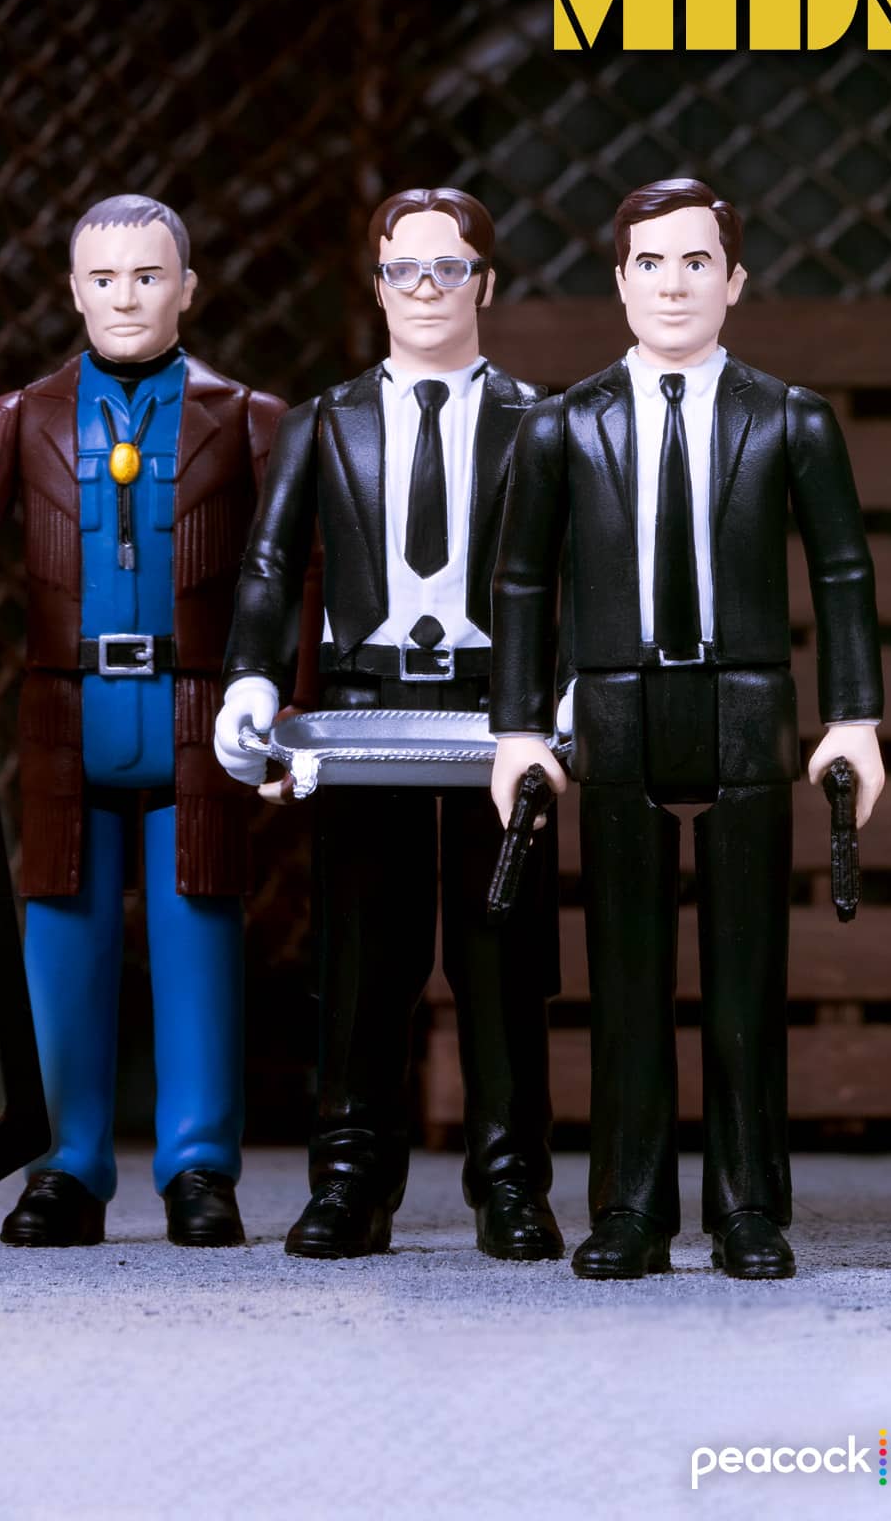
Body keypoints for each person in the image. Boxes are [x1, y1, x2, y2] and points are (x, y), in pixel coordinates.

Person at [489, 178, 883, 1282]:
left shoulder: (790, 417)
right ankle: (629, 1205)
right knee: (625, 977)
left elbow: (843, 573)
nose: (673, 284)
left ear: (735, 280)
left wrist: (853, 716)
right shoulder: (564, 423)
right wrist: (519, 727)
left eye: (697, 261)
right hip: (614, 707)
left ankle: (749, 1203)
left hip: (747, 702)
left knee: (749, 973)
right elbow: (521, 583)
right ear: (620, 280)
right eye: (651, 263)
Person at [0, 194, 284, 1247]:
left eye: (148, 276)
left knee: (198, 937)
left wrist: (291, 702)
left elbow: (300, 566)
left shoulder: (247, 415)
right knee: (62, 939)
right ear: (73, 290)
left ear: (187, 287)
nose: (125, 297)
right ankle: (63, 1166)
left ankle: (199, 1166)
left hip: (198, 714)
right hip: (65, 717)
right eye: (104, 278)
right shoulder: (22, 414)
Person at [216, 186, 560, 1261]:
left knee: (504, 954)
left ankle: (511, 1181)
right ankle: (350, 1178)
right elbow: (271, 561)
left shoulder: (539, 420)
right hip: (363, 706)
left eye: (448, 267)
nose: (425, 287)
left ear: (483, 284)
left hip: (501, 708)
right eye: (404, 268)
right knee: (363, 956)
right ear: (376, 284)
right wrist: (251, 678)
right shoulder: (323, 420)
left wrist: (567, 694)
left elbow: (578, 565)